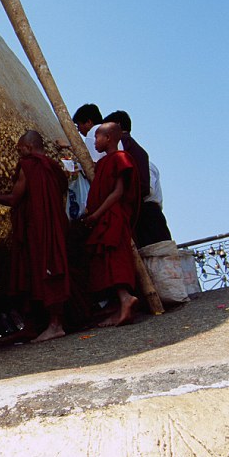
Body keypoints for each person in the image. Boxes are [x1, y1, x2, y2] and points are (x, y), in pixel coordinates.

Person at [0, 130, 69, 342]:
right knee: (43, 270)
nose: (19, 154)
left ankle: (55, 324)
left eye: (19, 150)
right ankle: (34, 325)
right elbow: (62, 189)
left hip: (38, 228)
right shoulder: (53, 167)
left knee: (45, 270)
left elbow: (14, 199)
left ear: (27, 147)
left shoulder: (30, 166)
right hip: (55, 226)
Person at [83, 122, 141, 327]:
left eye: (97, 137)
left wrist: (97, 214)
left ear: (108, 138)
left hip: (112, 215)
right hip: (105, 216)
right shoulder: (103, 162)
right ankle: (120, 307)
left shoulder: (120, 158)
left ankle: (126, 298)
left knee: (114, 256)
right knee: (106, 260)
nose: (94, 141)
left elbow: (118, 192)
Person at [102, 110, 172, 247]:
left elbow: (147, 189)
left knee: (157, 254)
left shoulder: (131, 152)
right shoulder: (137, 153)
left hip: (147, 213)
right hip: (141, 213)